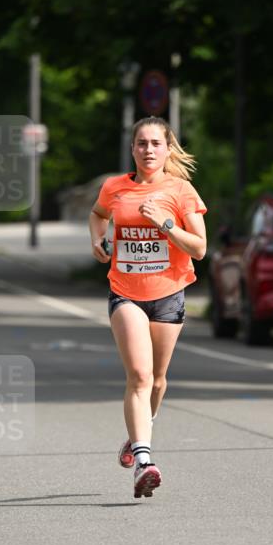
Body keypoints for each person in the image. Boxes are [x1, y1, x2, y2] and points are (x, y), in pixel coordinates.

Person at [89, 116, 207, 498]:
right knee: (139, 376)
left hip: (169, 294)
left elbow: (200, 248)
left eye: (156, 143)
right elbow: (98, 215)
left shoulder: (181, 190)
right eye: (142, 143)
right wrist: (98, 240)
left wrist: (167, 224)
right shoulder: (115, 187)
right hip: (125, 292)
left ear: (168, 149)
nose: (149, 150)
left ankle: (137, 435)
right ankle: (144, 461)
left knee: (157, 380)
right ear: (133, 149)